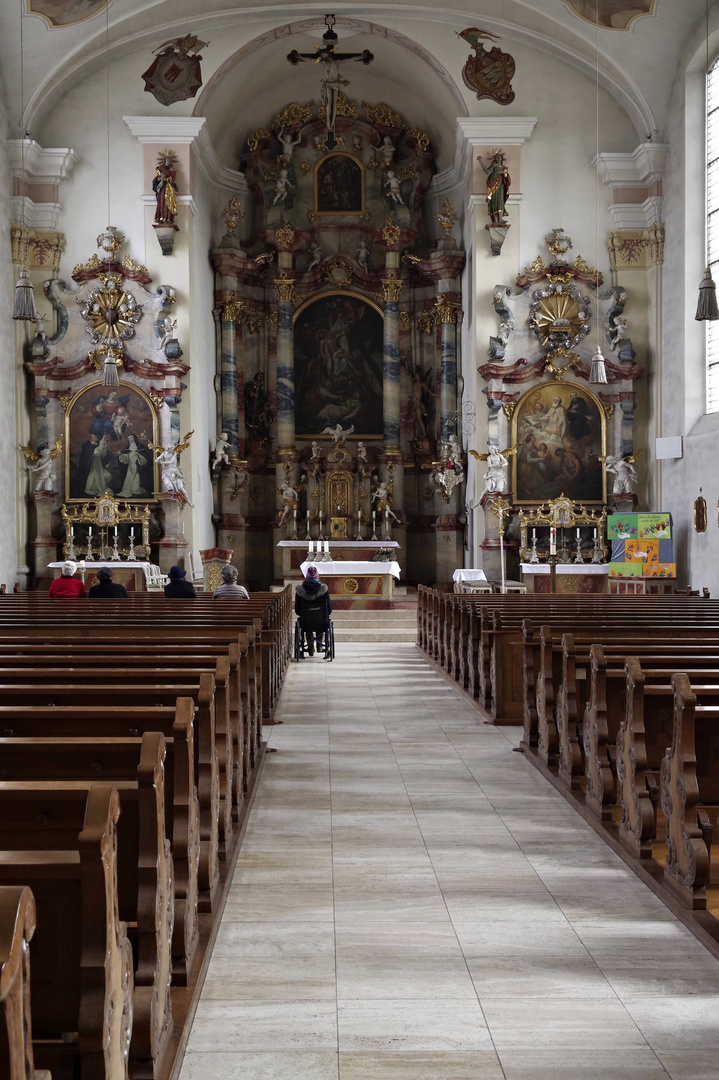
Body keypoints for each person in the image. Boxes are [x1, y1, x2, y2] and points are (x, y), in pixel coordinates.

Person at [295, 565, 332, 657]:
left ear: (307, 576)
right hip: (321, 621)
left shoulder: (300, 590)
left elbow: (297, 610)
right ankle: (319, 646)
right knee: (321, 620)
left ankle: (310, 648)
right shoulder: (324, 589)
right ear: (317, 576)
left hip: (306, 622)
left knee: (307, 623)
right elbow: (329, 610)